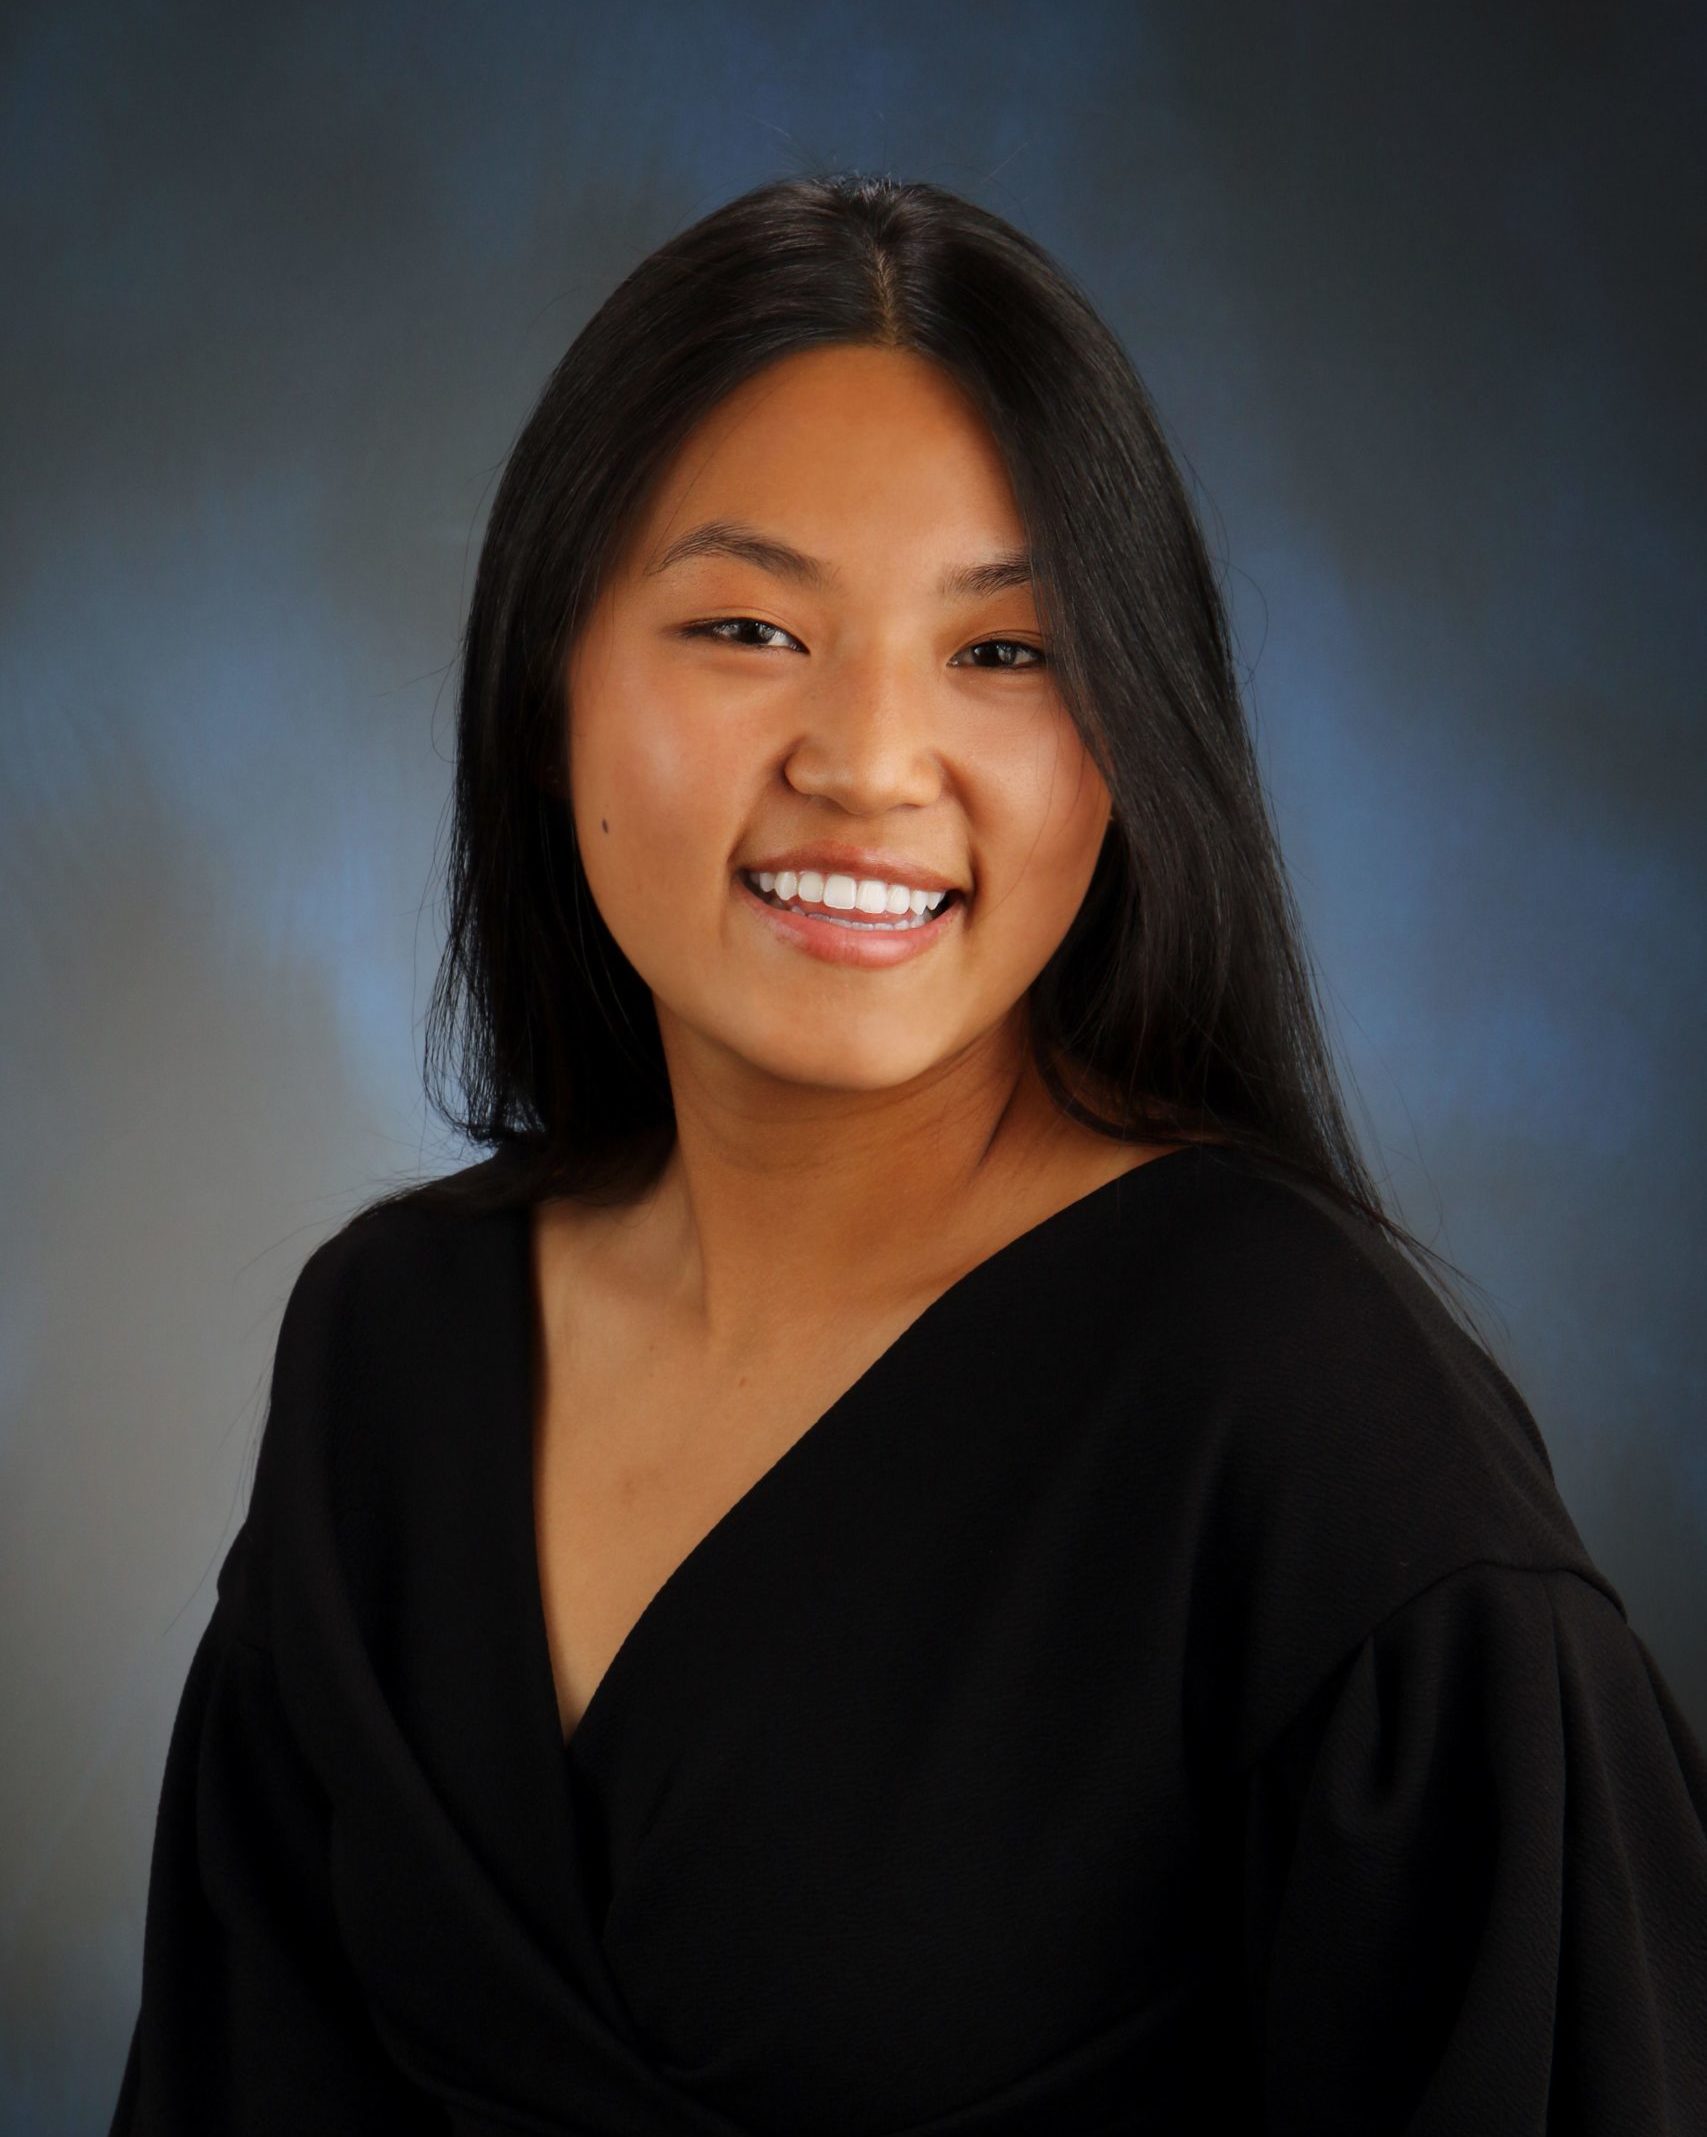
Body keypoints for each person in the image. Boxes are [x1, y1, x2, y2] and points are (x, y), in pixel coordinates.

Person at [110, 171, 1707, 2135]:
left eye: (1006, 654)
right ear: (549, 687)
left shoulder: (1317, 1437)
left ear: (1133, 744)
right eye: (747, 625)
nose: (866, 761)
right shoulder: (389, 1355)